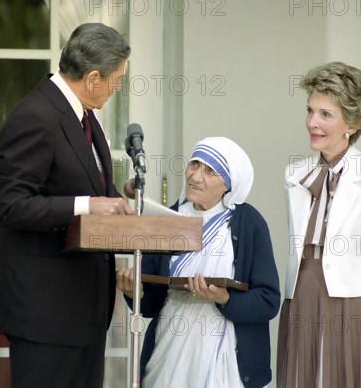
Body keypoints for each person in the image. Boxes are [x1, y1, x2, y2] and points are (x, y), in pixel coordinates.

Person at [0, 23, 133, 388]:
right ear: (94, 77)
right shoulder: (35, 115)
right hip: (46, 315)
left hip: (84, 312)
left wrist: (117, 196)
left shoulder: (83, 114)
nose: (118, 87)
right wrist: (89, 204)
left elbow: (84, 183)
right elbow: (12, 205)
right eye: (117, 79)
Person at [276, 62, 361, 387]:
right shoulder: (294, 174)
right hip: (301, 291)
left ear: (353, 123)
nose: (311, 123)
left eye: (325, 115)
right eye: (310, 111)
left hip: (357, 300)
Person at [117, 137, 281, 388]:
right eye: (194, 164)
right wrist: (133, 292)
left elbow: (268, 301)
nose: (195, 177)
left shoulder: (249, 223)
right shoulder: (167, 219)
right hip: (170, 350)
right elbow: (151, 305)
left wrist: (225, 298)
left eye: (210, 171)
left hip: (227, 356)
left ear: (229, 183)